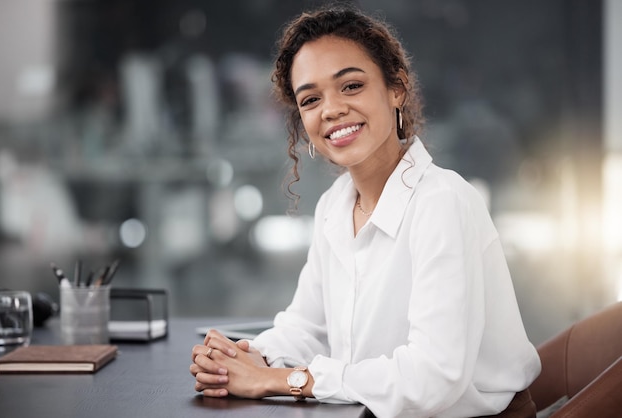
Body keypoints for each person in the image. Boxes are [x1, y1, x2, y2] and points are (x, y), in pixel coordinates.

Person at [190, 5, 541, 417]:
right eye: (311, 99)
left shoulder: (441, 203)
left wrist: (282, 380)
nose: (331, 109)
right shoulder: (333, 207)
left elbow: (432, 377)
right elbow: (308, 328)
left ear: (397, 88)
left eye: (351, 86)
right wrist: (242, 357)